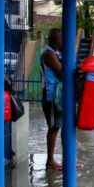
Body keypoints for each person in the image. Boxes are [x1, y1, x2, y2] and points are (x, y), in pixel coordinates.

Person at [41, 28, 63, 170]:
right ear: (55, 40)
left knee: (56, 127)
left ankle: (52, 159)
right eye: (61, 39)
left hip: (55, 95)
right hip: (51, 96)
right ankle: (50, 160)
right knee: (53, 127)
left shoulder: (55, 53)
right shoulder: (49, 54)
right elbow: (61, 72)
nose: (63, 42)